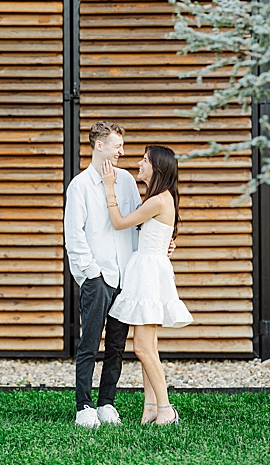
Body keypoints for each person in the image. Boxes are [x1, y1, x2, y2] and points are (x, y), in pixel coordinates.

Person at [102, 145, 192, 426]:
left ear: (158, 169)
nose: (139, 163)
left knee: (142, 347)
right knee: (148, 346)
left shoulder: (157, 200)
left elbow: (118, 223)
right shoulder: (159, 199)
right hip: (149, 269)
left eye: (145, 160)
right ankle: (151, 408)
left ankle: (166, 409)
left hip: (148, 274)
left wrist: (108, 188)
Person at [64, 121, 142, 428]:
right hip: (98, 278)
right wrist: (91, 274)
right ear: (100, 146)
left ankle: (107, 403)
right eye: (117, 145)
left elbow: (136, 223)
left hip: (126, 276)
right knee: (89, 343)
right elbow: (74, 236)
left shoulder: (126, 181)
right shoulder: (79, 186)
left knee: (117, 346)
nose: (122, 151)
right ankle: (84, 406)